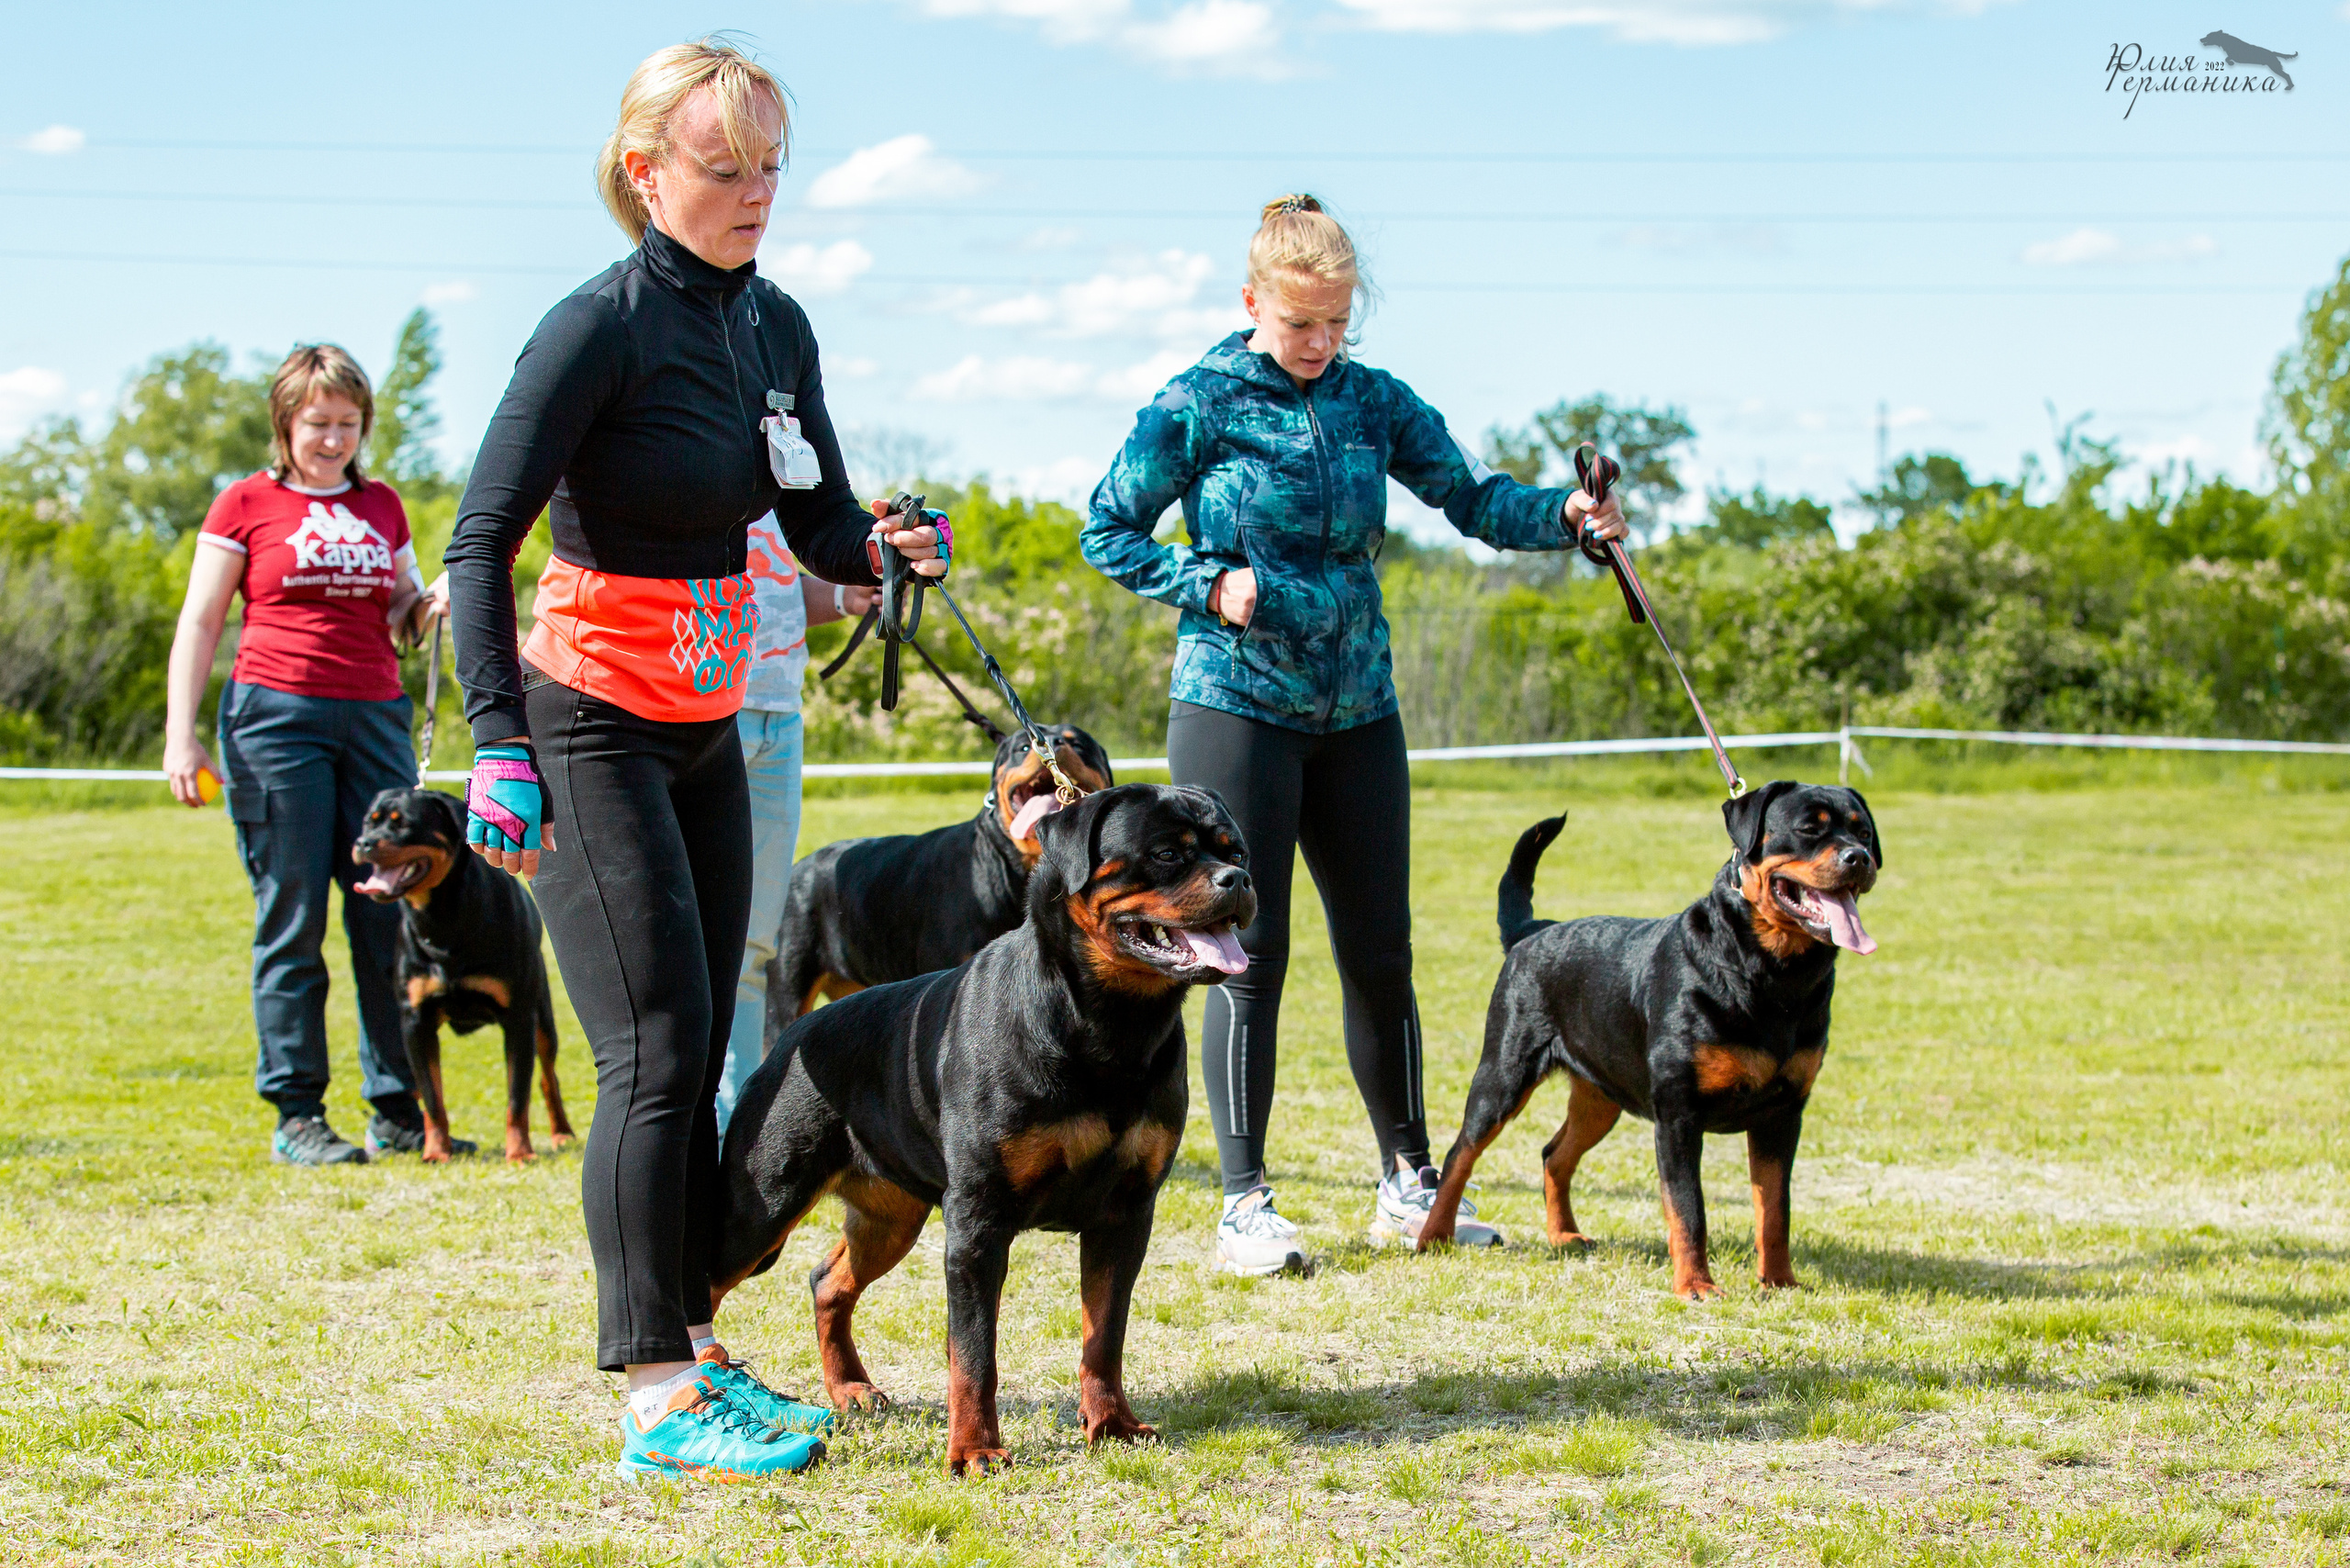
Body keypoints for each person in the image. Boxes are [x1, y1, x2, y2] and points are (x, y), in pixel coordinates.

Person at [441, 39, 947, 1483]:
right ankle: (659, 1392)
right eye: (724, 168)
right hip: (581, 718)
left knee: (702, 1033)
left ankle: (689, 1342)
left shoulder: (776, 328)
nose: (756, 193)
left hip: (706, 720)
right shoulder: (594, 327)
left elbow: (819, 520)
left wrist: (885, 549)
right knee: (653, 1055)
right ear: (644, 173)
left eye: (772, 164)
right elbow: (481, 540)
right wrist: (496, 745)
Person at [1081, 195, 1628, 1275]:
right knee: (1245, 953)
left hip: (1359, 711)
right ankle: (1245, 1203)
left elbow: (1470, 499)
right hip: (1234, 708)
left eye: (1336, 324)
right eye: (1300, 325)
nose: (1321, 344)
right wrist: (1205, 579)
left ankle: (1408, 1183)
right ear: (1252, 303)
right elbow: (1105, 528)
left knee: (1382, 952)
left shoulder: (1374, 401)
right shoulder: (1193, 403)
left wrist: (1564, 519)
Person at [164, 344, 449, 1168]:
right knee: (294, 918)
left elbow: (404, 609)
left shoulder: (383, 506)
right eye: (317, 423)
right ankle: (297, 1113)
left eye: (347, 425)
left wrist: (434, 602)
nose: (332, 440)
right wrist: (182, 733)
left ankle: (397, 1110)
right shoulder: (245, 503)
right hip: (274, 722)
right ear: (285, 423)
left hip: (373, 719)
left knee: (383, 915)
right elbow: (200, 621)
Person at [716, 518, 871, 1135]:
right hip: (702, 705)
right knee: (695, 943)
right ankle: (684, 1124)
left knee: (752, 946)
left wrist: (844, 596)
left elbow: (773, 590)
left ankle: (736, 1133)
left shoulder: (790, 461)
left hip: (779, 710)